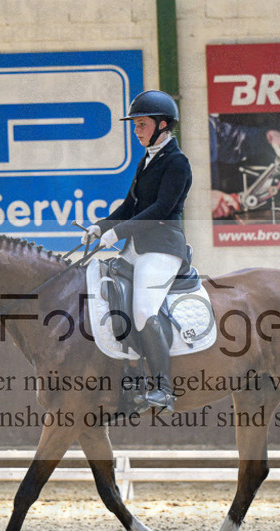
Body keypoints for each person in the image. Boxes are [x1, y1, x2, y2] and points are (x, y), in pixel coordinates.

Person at [83, 89, 192, 412]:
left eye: (141, 125)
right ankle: (132, 380)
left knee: (144, 310)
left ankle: (163, 387)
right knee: (112, 297)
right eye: (135, 125)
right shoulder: (147, 160)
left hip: (162, 248)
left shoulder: (177, 162)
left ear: (161, 125)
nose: (136, 131)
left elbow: (160, 209)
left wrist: (118, 232)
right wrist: (101, 226)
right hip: (137, 247)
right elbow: (131, 205)